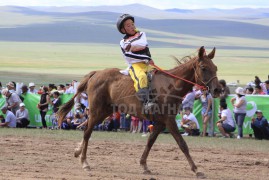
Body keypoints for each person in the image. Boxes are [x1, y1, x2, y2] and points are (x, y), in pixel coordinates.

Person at [117, 14, 155, 111]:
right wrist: (141, 51)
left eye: (132, 24)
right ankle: (146, 103)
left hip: (147, 63)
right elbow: (128, 53)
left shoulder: (141, 34)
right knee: (141, 77)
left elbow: (143, 45)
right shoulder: (123, 42)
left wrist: (133, 47)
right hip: (135, 65)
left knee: (161, 75)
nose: (132, 26)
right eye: (128, 25)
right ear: (123, 30)